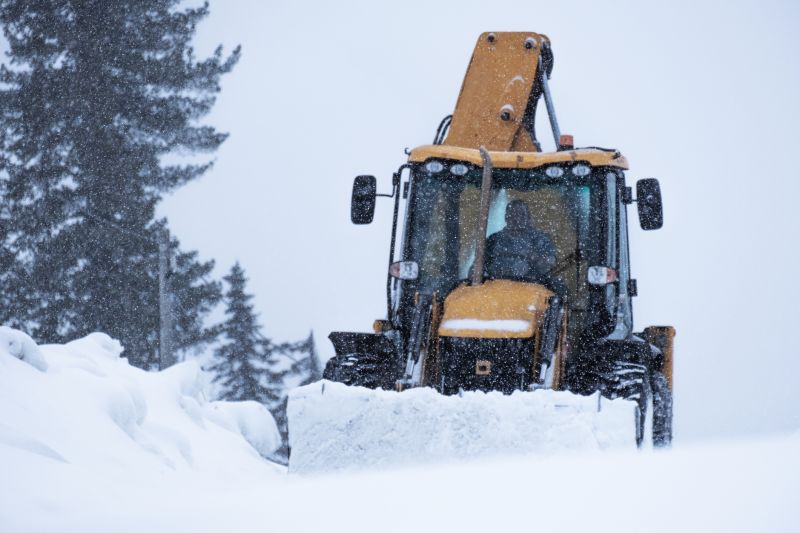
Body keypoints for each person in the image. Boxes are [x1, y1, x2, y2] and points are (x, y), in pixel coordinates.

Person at [484, 199, 558, 285]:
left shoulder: (540, 239)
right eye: (513, 215)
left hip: (534, 287)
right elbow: (476, 268)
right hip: (495, 288)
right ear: (506, 217)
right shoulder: (493, 240)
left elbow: (553, 264)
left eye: (522, 215)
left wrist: (538, 258)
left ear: (528, 218)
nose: (517, 219)